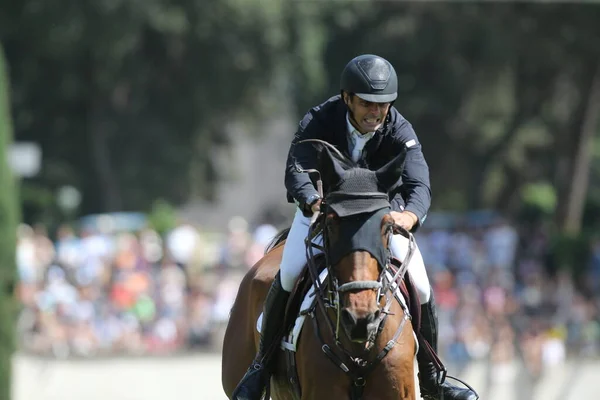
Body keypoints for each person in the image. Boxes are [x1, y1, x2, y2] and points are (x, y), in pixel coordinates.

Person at [232, 54, 478, 400]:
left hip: (380, 219)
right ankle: (262, 365)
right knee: (287, 274)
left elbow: (418, 183)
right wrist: (313, 202)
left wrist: (410, 216)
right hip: (325, 212)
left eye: (383, 105)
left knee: (420, 286)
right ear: (347, 97)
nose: (376, 113)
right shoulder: (319, 120)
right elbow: (297, 170)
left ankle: (433, 377)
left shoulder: (400, 130)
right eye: (367, 104)